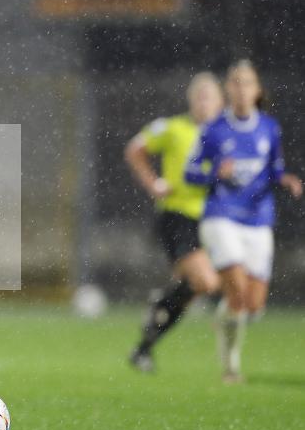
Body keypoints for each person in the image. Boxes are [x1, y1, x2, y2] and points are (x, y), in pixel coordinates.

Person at [185, 60, 302, 383]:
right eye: (235, 82)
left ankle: (225, 317)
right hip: (221, 216)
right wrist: (214, 173)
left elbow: (274, 168)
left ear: (257, 90)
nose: (241, 89)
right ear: (228, 89)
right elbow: (190, 173)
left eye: (247, 82)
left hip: (258, 219)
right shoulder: (213, 129)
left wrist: (285, 179)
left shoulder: (269, 128)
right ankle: (231, 366)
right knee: (236, 288)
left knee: (252, 305)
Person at [125, 73, 224, 372]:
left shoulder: (225, 134)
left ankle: (143, 348)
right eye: (199, 97)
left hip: (214, 220)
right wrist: (153, 183)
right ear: (191, 100)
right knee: (206, 282)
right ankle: (158, 307)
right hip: (178, 216)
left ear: (220, 102)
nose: (204, 103)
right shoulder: (173, 127)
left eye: (209, 97)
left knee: (190, 291)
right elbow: (135, 149)